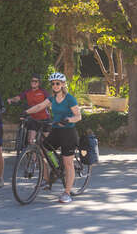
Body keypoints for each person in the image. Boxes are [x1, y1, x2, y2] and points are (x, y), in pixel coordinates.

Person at [25, 72, 81, 204]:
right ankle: (47, 178)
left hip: (68, 132)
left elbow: (78, 116)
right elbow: (39, 106)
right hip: (56, 130)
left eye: (58, 83)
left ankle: (67, 193)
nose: (55, 85)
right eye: (53, 83)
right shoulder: (52, 98)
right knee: (43, 150)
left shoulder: (70, 99)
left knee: (68, 163)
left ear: (62, 85)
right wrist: (26, 112)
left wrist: (68, 119)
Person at [7, 73, 50, 144]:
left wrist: (46, 105)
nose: (33, 82)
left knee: (45, 143)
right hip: (33, 119)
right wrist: (12, 99)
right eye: (32, 81)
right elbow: (18, 97)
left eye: (35, 81)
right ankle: (32, 154)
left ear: (39, 83)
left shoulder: (43, 92)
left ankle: (44, 155)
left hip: (44, 118)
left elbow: (50, 102)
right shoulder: (28, 92)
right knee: (31, 141)